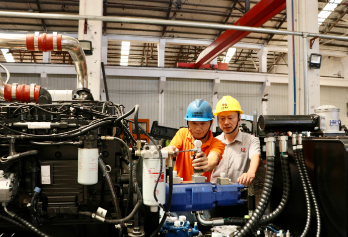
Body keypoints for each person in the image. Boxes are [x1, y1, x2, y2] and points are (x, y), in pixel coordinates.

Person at [163, 99, 225, 182]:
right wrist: (167, 151)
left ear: (211, 122)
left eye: (203, 123)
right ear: (187, 122)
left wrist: (206, 163)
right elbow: (172, 147)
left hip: (202, 191)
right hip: (179, 189)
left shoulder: (217, 143)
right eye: (194, 123)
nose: (198, 128)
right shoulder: (182, 134)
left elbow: (213, 159)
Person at [211, 96, 261, 186]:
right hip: (215, 193)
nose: (226, 122)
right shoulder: (214, 142)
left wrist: (250, 173)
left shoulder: (251, 140)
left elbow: (255, 156)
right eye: (222, 118)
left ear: (239, 119)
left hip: (238, 194)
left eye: (230, 118)